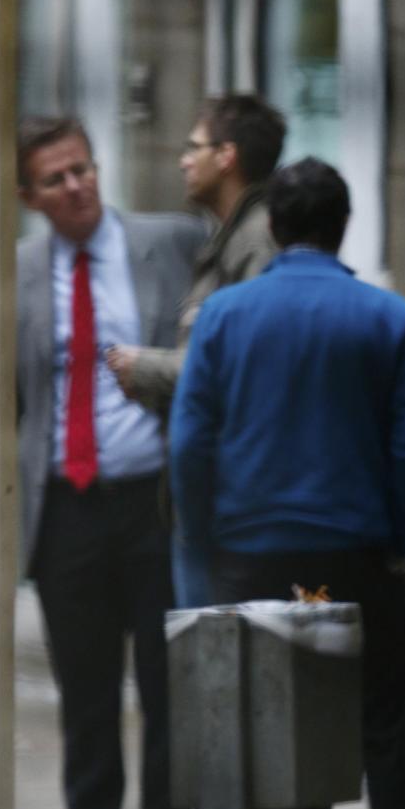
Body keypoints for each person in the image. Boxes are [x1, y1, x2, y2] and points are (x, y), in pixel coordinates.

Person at [160, 157, 405, 809]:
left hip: (252, 555)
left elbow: (191, 440)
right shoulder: (389, 319)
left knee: (252, 717)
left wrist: (209, 530)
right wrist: (395, 533)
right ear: (345, 225)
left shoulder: (225, 315)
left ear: (273, 228)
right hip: (357, 552)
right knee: (384, 721)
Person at [15, 116, 205, 809]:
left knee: (165, 693)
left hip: (151, 504)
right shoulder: (20, 273)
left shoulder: (171, 241)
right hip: (66, 510)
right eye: (56, 179)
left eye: (84, 169)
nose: (77, 186)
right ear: (28, 196)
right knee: (86, 699)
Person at [106, 92, 286, 609]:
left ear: (226, 156)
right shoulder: (231, 237)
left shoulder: (257, 241)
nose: (184, 159)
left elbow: (243, 368)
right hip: (216, 496)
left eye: (195, 147)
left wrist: (146, 369)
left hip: (235, 503)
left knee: (218, 663)